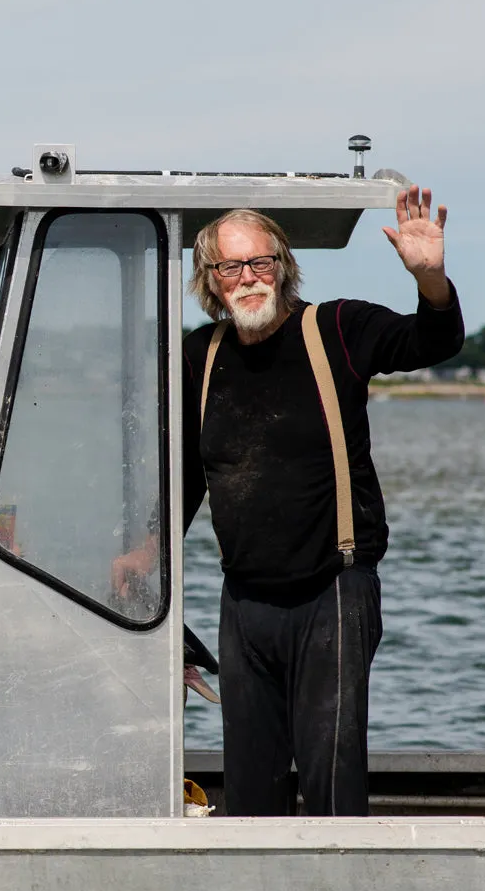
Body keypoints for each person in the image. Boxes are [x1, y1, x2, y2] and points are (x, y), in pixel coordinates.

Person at [114, 185, 464, 815]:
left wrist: (431, 280)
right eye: (230, 266)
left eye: (260, 263)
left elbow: (433, 342)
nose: (247, 278)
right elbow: (195, 472)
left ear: (282, 266)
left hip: (333, 591)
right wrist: (147, 551)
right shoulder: (202, 354)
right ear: (211, 279)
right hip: (245, 600)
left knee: (331, 783)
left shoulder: (338, 329)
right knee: (250, 792)